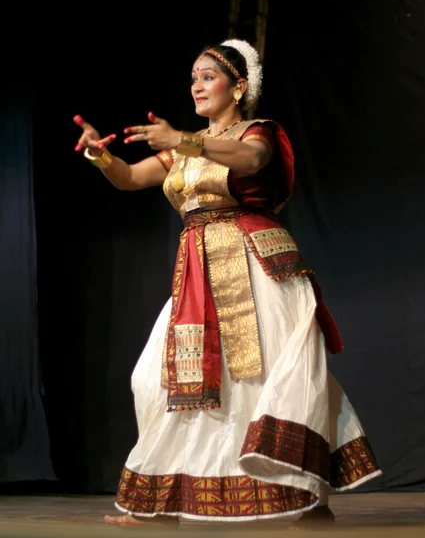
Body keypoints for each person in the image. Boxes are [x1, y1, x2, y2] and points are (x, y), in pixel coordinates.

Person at [73, 38, 381, 529]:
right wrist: (99, 157)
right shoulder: (185, 149)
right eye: (193, 77)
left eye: (208, 76)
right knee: (160, 380)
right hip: (198, 271)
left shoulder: (259, 131)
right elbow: (131, 177)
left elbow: (252, 161)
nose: (196, 85)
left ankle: (302, 494)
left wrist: (183, 140)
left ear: (238, 87)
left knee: (261, 381)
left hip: (255, 264)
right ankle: (166, 497)